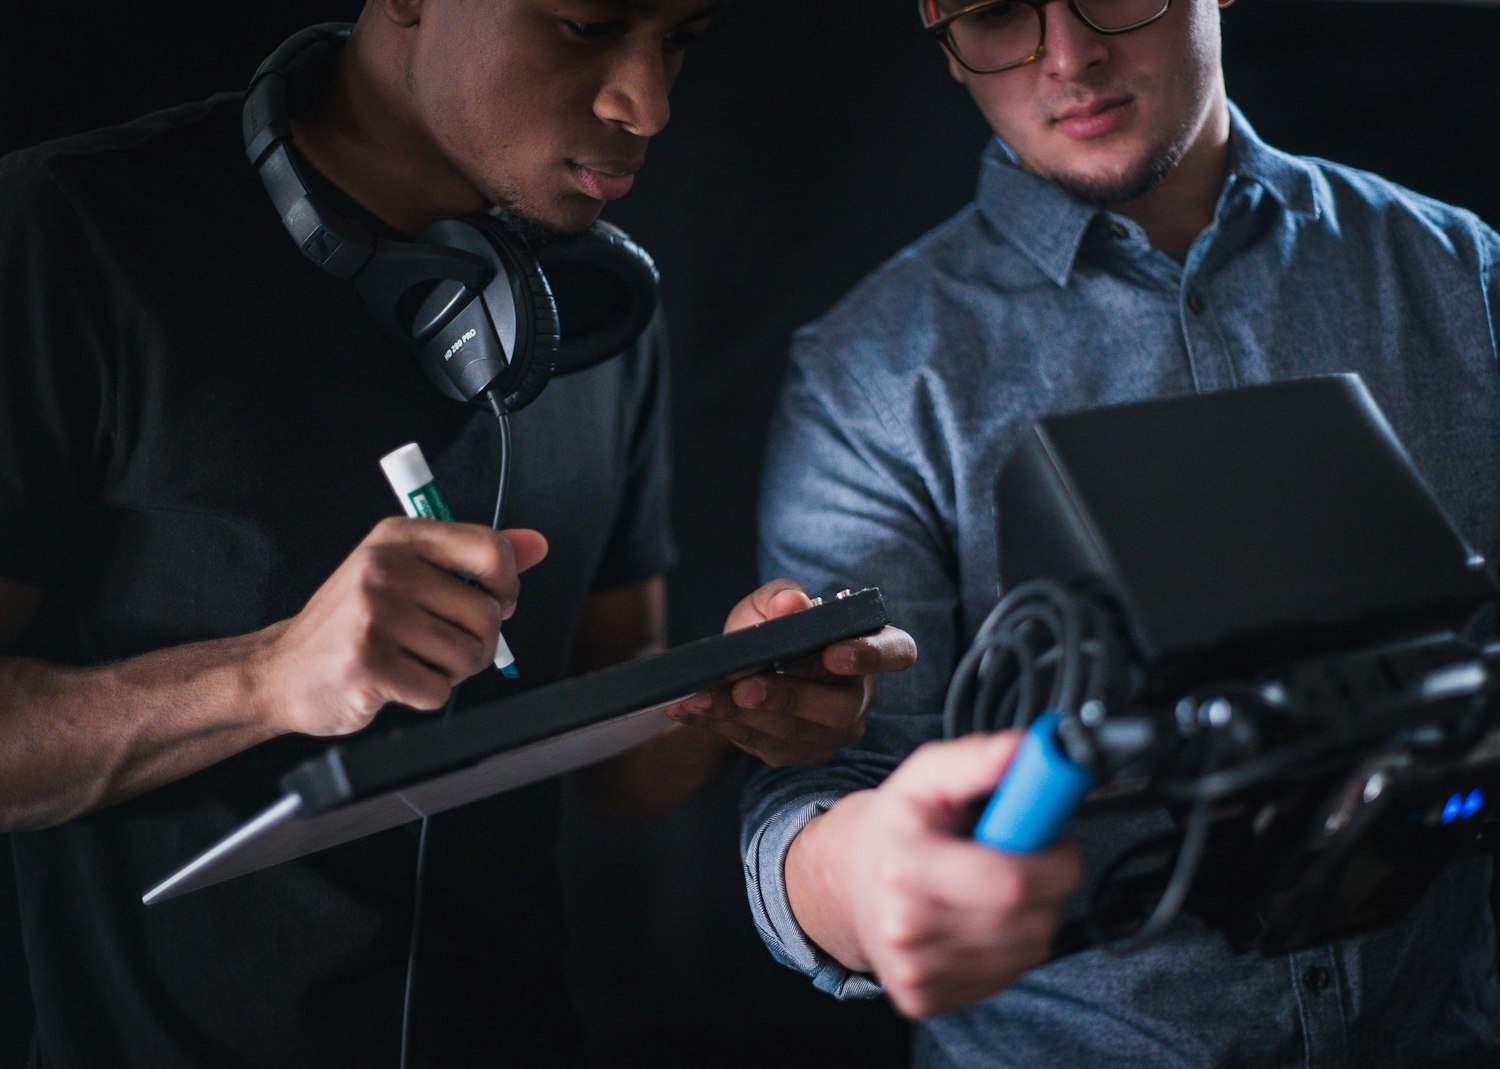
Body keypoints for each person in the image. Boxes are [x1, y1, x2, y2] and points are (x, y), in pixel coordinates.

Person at [0, 1, 916, 1065]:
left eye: (677, 41)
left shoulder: (592, 308)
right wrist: (264, 677)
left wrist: (743, 696)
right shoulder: (69, 235)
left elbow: (616, 771)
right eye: (584, 25)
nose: (647, 102)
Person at [737, 1, 1500, 1066]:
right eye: (998, 10)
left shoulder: (1463, 282)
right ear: (937, 31)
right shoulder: (870, 377)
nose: (1069, 54)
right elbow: (823, 784)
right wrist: (852, 883)